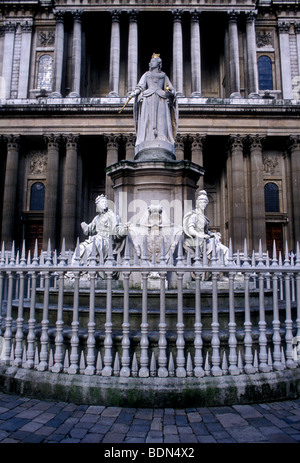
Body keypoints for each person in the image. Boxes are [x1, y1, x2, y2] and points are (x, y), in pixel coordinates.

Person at [131, 54, 177, 149]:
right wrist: (136, 92)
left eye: (153, 62)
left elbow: (171, 89)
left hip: (161, 98)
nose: (150, 63)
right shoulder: (146, 74)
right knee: (148, 118)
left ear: (158, 64)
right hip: (149, 97)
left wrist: (170, 93)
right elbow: (141, 86)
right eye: (150, 62)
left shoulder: (163, 75)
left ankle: (162, 136)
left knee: (161, 117)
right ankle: (149, 137)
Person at [183, 190, 229, 265]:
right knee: (220, 249)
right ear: (197, 203)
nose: (203, 204)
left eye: (205, 202)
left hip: (203, 240)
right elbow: (190, 230)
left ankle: (227, 269)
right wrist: (201, 235)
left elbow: (205, 232)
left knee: (224, 249)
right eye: (201, 202)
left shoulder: (203, 217)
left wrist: (213, 234)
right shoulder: (194, 215)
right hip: (196, 241)